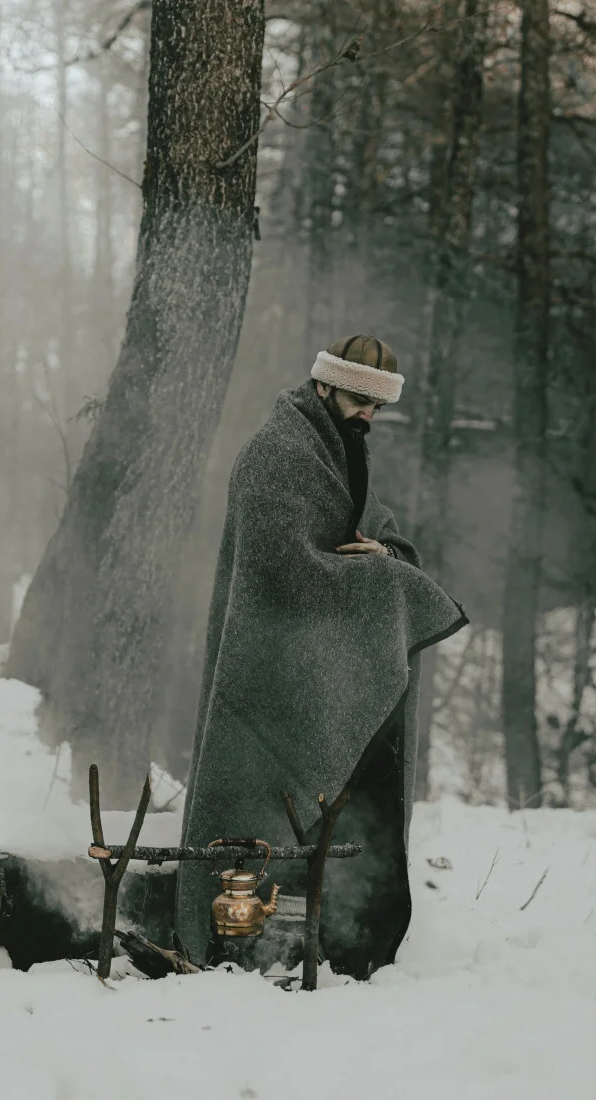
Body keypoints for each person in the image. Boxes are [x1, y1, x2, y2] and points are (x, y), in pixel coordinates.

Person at [173, 335, 468, 978]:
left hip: (311, 671)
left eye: (377, 405)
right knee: (259, 814)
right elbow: (281, 571)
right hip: (269, 673)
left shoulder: (337, 452)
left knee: (341, 801)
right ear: (325, 385)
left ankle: (343, 939)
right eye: (360, 398)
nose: (368, 414)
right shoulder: (279, 454)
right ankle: (244, 948)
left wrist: (385, 561)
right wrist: (377, 580)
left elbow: (381, 534)